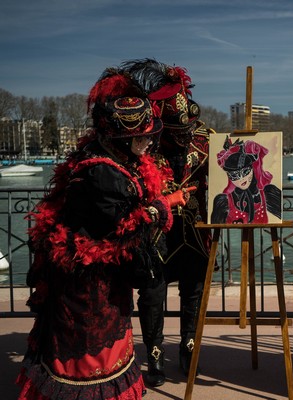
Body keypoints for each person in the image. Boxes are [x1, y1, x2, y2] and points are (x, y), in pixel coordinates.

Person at [15, 69, 189, 399]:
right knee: (89, 355)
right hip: (88, 282)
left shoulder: (105, 158)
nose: (149, 142)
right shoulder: (103, 173)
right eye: (141, 138)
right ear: (118, 138)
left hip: (98, 277)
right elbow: (125, 225)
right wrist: (164, 205)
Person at [120, 58, 213, 386]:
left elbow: (219, 181)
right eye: (178, 130)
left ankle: (189, 347)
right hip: (156, 233)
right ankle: (155, 354)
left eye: (189, 128)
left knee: (195, 291)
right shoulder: (142, 144)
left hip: (196, 231)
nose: (186, 135)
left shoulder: (205, 139)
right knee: (152, 294)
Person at [210, 136, 282, 224]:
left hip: (260, 235)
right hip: (235, 238)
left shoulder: (267, 194)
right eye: (234, 176)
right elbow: (216, 226)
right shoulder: (224, 201)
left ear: (252, 169)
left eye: (245, 172)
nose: (241, 178)